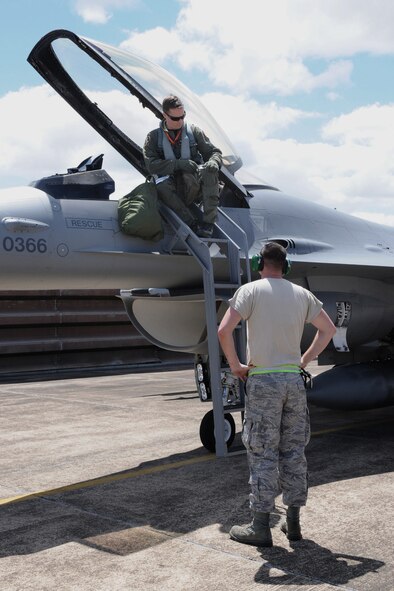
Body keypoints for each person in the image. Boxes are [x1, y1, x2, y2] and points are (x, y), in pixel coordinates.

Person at [218, 242, 336, 547]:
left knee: (262, 451)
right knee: (294, 451)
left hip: (263, 381)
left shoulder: (250, 290)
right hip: (293, 382)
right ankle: (293, 522)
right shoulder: (302, 295)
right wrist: (304, 360)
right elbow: (329, 330)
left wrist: (236, 366)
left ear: (260, 263)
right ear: (287, 267)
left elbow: (223, 330)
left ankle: (260, 526)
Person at [143, 95, 222, 238]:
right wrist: (178, 164)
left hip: (194, 184)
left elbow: (214, 152)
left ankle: (208, 223)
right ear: (164, 115)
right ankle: (191, 223)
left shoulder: (194, 132)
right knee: (160, 185)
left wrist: (214, 162)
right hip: (171, 190)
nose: (180, 121)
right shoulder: (153, 138)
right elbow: (151, 165)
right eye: (175, 118)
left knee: (209, 171)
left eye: (182, 116)